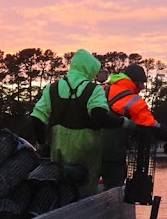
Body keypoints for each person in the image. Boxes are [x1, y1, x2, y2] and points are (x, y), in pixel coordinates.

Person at [30, 49, 134, 196]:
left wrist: (42, 143)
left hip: (58, 145)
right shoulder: (94, 90)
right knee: (85, 189)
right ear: (89, 69)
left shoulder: (52, 89)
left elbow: (37, 118)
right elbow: (100, 117)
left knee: (60, 184)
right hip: (87, 149)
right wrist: (124, 123)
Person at [100, 63, 167, 189]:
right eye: (141, 83)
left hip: (91, 151)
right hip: (113, 155)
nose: (142, 87)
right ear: (134, 81)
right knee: (115, 191)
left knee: (89, 190)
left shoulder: (103, 89)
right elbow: (152, 126)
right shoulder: (133, 101)